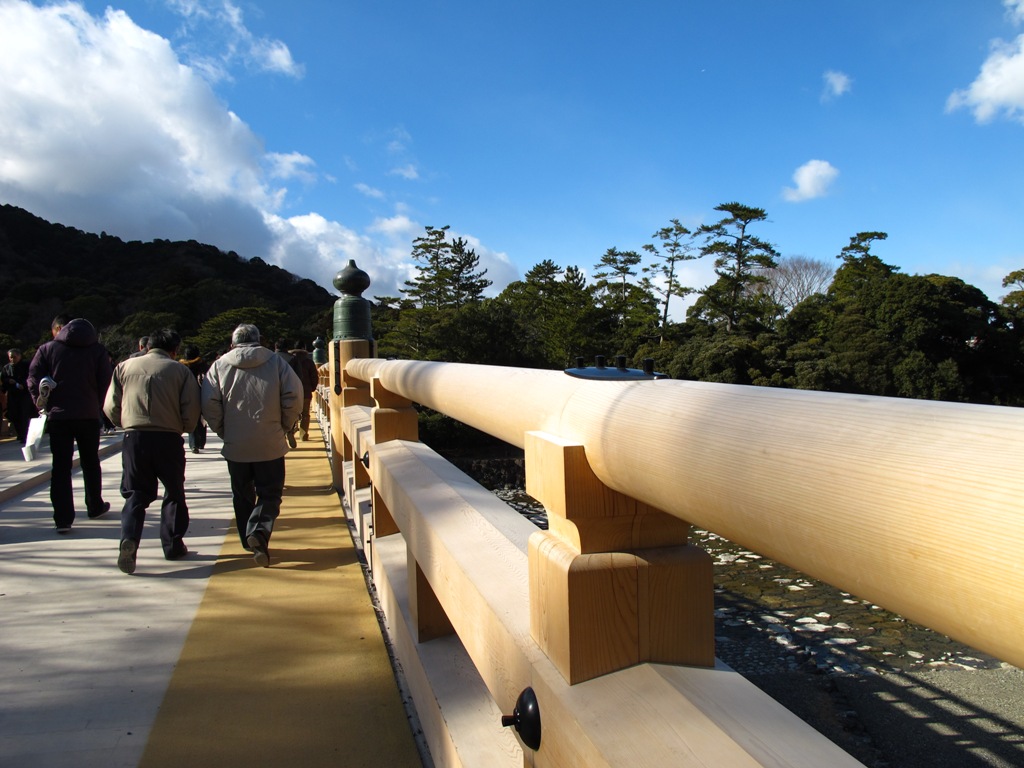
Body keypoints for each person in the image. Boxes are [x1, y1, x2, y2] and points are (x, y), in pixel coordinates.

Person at [202, 324, 302, 567]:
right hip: (270, 441)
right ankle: (258, 531)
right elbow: (294, 396)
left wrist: (223, 430)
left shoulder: (219, 365)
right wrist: (284, 426)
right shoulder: (276, 362)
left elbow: (209, 403)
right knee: (270, 492)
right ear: (260, 340)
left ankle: (248, 541)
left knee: (242, 493)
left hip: (236, 443)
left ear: (232, 343)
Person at [104, 328, 200, 574]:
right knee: (174, 492)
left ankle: (129, 539)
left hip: (135, 437)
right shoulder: (180, 371)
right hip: (168, 437)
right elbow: (191, 408)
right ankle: (172, 544)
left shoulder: (124, 367)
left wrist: (124, 421)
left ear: (147, 346)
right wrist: (184, 427)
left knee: (135, 493)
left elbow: (111, 405)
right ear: (174, 349)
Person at [27, 315, 113, 533]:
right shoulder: (97, 350)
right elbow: (106, 382)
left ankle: (63, 519)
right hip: (88, 415)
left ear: (59, 329)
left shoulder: (47, 349)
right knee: (90, 462)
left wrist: (41, 401)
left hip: (59, 416)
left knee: (61, 467)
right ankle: (94, 506)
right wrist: (96, 404)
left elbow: (33, 378)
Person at [1, 348, 38, 445]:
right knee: (14, 415)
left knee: (24, 415)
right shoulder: (6, 368)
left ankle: (25, 435)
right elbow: (4, 379)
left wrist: (24, 385)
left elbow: (31, 377)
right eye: (10, 357)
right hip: (13, 394)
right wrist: (8, 381)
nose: (12, 359)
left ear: (19, 356)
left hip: (24, 394)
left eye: (14, 357)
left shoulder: (27, 365)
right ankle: (20, 434)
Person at [178, 344, 208, 453]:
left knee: (192, 418)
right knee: (202, 419)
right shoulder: (202, 365)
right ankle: (201, 442)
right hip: (201, 393)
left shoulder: (181, 366)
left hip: (187, 394)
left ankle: (193, 443)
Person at [288, 341, 320, 443]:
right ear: (304, 348)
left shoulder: (289, 361)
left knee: (291, 412)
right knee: (305, 414)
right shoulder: (308, 362)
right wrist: (312, 388)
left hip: (292, 391)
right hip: (305, 392)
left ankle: (291, 430)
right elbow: (314, 377)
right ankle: (303, 435)